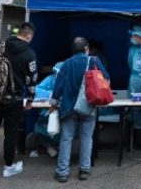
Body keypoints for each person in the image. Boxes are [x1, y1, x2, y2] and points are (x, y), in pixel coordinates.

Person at [0, 22, 38, 179]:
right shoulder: (29, 53)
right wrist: (30, 99)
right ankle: (8, 167)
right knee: (10, 134)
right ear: (29, 35)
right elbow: (32, 80)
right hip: (14, 100)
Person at [50, 37, 109, 183]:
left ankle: (62, 172)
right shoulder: (94, 61)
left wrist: (53, 104)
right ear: (86, 48)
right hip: (88, 106)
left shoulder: (66, 64)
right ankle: (84, 170)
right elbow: (106, 79)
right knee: (87, 138)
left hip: (68, 108)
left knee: (66, 139)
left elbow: (58, 87)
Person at [29, 62, 64, 158]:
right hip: (49, 112)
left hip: (65, 114)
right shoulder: (51, 79)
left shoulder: (70, 80)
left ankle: (57, 148)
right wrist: (51, 94)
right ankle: (50, 146)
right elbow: (36, 90)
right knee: (41, 125)